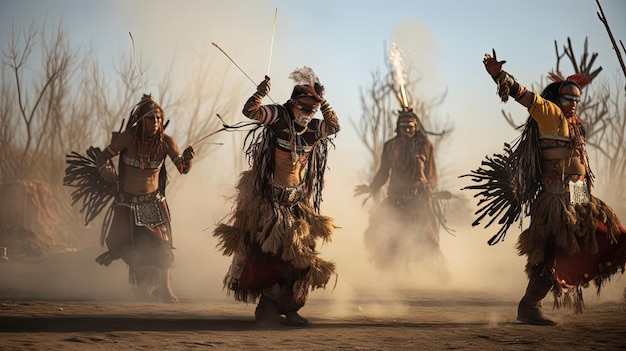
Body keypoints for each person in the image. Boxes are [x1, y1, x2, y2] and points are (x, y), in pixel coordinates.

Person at [476, 49, 626, 325]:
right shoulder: (551, 115)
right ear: (559, 98)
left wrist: (582, 201)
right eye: (569, 97)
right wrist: (500, 75)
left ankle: (529, 306)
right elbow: (527, 97)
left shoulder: (573, 125)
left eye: (577, 99)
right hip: (555, 200)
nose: (574, 103)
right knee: (553, 256)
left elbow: (577, 167)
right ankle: (529, 307)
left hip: (578, 198)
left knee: (610, 238)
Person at [213, 67, 340, 325]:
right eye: (303, 108)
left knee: (303, 257)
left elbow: (334, 125)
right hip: (269, 202)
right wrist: (260, 92)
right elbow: (250, 112)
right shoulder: (279, 118)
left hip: (296, 204)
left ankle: (290, 308)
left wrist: (322, 100)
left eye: (312, 110)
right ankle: (267, 308)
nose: (307, 115)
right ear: (293, 104)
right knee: (269, 257)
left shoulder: (315, 129)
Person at [93, 94, 194, 303]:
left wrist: (188, 160)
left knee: (163, 249)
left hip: (154, 203)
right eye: (150, 118)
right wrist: (104, 170)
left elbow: (182, 169)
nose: (155, 122)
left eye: (158, 118)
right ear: (141, 120)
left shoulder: (167, 142)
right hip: (127, 203)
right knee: (129, 248)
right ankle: (140, 286)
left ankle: (165, 289)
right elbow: (102, 156)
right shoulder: (127, 138)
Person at [354, 109, 448, 274]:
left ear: (416, 127)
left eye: (411, 127)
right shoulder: (390, 146)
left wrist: (428, 188)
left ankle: (439, 272)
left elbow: (432, 175)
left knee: (429, 235)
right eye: (404, 127)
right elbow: (384, 172)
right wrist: (372, 187)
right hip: (395, 198)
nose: (408, 130)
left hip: (418, 198)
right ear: (398, 127)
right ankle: (386, 270)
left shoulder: (425, 145)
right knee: (377, 228)